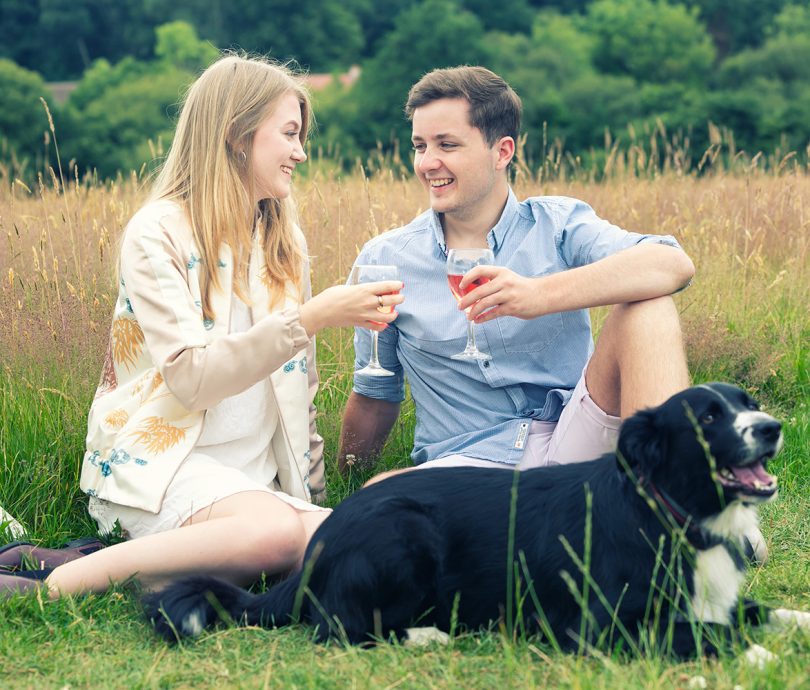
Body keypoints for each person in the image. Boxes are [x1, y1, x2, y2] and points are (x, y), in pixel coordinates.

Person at [0, 54, 403, 598]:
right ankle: (47, 588)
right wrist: (312, 317)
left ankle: (99, 560)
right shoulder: (157, 234)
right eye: (288, 133)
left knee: (356, 538)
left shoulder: (285, 245)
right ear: (238, 134)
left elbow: (298, 393)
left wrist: (310, 494)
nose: (300, 152)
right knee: (273, 534)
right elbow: (192, 379)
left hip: (251, 485)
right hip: (162, 469)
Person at [339, 65, 696, 482]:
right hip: (468, 462)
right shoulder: (386, 258)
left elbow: (672, 263)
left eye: (447, 144)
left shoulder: (558, 224)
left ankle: (676, 507)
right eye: (420, 146)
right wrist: (343, 480)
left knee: (648, 309)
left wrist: (539, 295)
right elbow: (375, 395)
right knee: (380, 493)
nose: (427, 163)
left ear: (502, 151)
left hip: (576, 438)